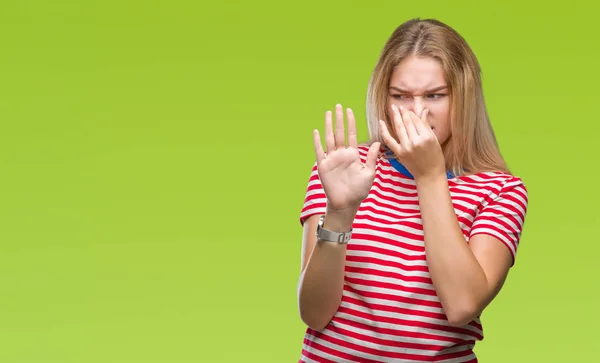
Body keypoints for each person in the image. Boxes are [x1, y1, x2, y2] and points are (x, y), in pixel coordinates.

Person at [296, 18, 529, 363]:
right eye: (400, 96)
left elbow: (462, 304)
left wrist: (430, 176)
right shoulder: (344, 169)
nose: (417, 112)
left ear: (463, 97)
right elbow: (314, 314)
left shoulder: (499, 191)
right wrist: (341, 212)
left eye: (435, 95)